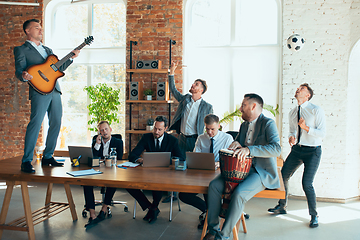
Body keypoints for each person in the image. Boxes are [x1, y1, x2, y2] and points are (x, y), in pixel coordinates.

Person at [203, 93, 281, 240]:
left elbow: (276, 149)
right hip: (239, 170)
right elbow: (240, 142)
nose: (240, 108)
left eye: (243, 105)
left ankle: (223, 236)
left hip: (260, 172)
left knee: (239, 194)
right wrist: (237, 144)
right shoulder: (244, 125)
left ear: (254, 106)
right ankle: (212, 229)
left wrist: (250, 149)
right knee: (213, 186)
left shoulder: (268, 123)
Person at [14, 19, 80, 173]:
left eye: (41, 28)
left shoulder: (48, 50)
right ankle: (26, 161)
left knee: (56, 122)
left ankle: (48, 156)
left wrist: (71, 57)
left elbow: (57, 68)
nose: (40, 30)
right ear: (28, 31)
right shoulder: (21, 50)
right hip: (38, 90)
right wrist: (24, 75)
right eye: (37, 28)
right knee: (35, 124)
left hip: (54, 89)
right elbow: (19, 70)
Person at [268, 83, 326, 228]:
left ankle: (314, 215)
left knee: (307, 184)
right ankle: (282, 206)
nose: (298, 89)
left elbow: (322, 133)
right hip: (297, 150)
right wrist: (291, 137)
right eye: (298, 88)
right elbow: (292, 131)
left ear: (308, 95)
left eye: (302, 89)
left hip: (313, 151)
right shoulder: (293, 112)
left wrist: (306, 128)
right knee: (283, 176)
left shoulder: (316, 110)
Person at [164, 60, 213, 203]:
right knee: (176, 165)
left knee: (194, 167)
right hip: (181, 138)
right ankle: (172, 194)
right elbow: (173, 89)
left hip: (195, 140)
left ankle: (193, 192)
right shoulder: (185, 99)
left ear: (201, 90)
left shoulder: (207, 106)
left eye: (196, 84)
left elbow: (211, 123)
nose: (192, 85)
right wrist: (172, 71)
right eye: (193, 83)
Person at [179, 114, 233, 229]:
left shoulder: (227, 138)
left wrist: (219, 164)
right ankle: (208, 210)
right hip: (202, 174)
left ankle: (209, 219)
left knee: (209, 188)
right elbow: (195, 157)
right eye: (207, 129)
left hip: (219, 175)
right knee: (183, 195)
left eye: (212, 129)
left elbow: (230, 160)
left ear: (219, 126)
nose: (209, 132)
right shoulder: (201, 138)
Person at [126, 116, 185, 223]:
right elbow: (133, 155)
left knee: (157, 182)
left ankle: (153, 209)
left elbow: (181, 158)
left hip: (165, 174)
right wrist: (140, 159)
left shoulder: (172, 140)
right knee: (129, 185)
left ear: (166, 128)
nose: (156, 132)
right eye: (155, 128)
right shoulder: (146, 137)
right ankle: (151, 207)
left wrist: (170, 160)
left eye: (159, 129)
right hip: (147, 172)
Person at [83, 120, 123, 227]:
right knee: (86, 183)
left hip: (111, 171)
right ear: (99, 132)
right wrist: (97, 144)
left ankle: (103, 210)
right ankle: (92, 215)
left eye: (106, 129)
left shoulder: (118, 142)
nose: (104, 132)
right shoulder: (95, 141)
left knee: (113, 183)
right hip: (97, 171)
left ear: (110, 130)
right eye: (101, 130)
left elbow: (119, 159)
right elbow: (92, 157)